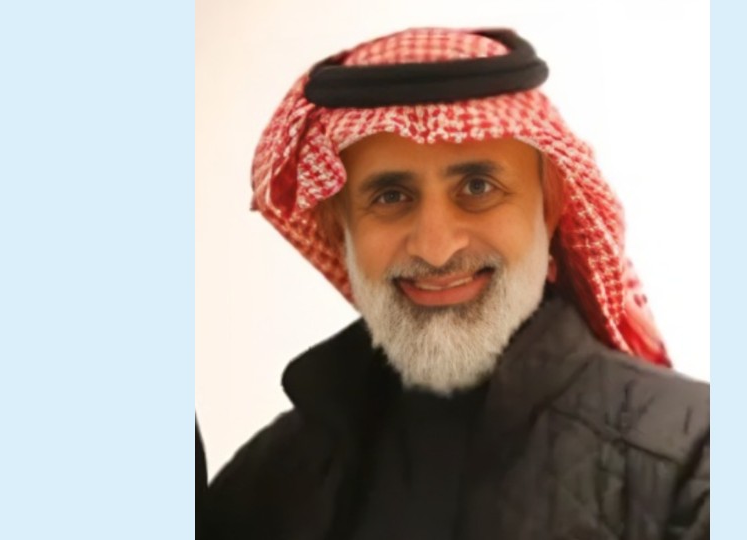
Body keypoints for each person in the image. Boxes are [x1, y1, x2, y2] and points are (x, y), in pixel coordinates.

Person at [206, 27, 709, 540]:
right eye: (391, 197)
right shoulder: (267, 487)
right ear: (340, 230)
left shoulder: (694, 465)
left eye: (478, 187)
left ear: (549, 207)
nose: (435, 247)